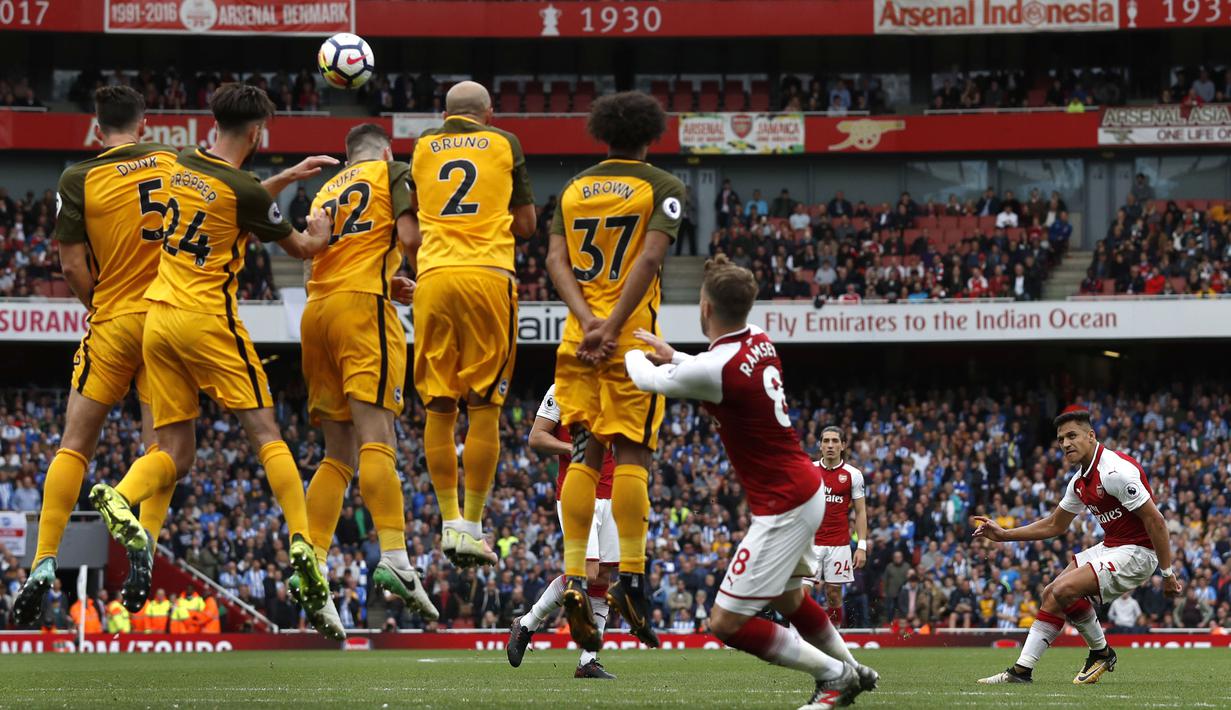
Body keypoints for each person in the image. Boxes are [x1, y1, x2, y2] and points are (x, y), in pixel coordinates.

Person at [87, 82, 340, 636]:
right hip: (208, 321)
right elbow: (298, 246)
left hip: (158, 317)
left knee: (175, 450)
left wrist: (284, 180)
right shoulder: (245, 189)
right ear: (256, 132)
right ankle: (302, 540)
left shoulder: (182, 163)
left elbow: (235, 200)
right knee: (266, 431)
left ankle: (122, 494)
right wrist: (319, 231)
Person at [624, 254, 877, 709]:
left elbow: (648, 379)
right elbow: (715, 371)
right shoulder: (759, 339)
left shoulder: (714, 368)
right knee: (788, 595)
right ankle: (853, 668)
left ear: (704, 309)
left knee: (725, 623)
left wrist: (621, 345)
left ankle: (834, 675)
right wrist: (676, 354)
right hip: (805, 487)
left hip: (783, 504)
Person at [14, 86, 179, 626]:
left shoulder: (77, 178)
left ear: (95, 126)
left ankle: (42, 561)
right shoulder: (174, 163)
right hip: (166, 323)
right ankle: (144, 546)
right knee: (164, 449)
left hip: (111, 321)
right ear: (146, 122)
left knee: (74, 446)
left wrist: (98, 303)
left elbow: (71, 265)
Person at [544, 90, 684, 652]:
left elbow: (555, 260)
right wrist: (613, 326)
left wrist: (586, 324)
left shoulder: (574, 189)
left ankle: (574, 575)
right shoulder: (662, 187)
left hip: (578, 339)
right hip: (628, 339)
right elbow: (649, 259)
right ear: (651, 134)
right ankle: (631, 577)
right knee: (633, 455)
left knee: (584, 451)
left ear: (603, 133)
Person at [296, 122, 437, 633]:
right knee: (379, 440)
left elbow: (316, 258)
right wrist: (426, 280)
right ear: (386, 150)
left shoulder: (326, 189)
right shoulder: (393, 171)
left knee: (338, 453)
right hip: (361, 313)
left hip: (317, 312)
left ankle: (312, 560)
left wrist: (383, 276)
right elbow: (409, 235)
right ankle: (397, 556)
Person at [406, 80, 536, 568]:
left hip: (433, 277)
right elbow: (525, 226)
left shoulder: (421, 148)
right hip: (487, 276)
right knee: (484, 406)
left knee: (439, 406)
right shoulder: (504, 143)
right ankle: (474, 528)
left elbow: (415, 224)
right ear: (489, 112)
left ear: (444, 115)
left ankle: (447, 522)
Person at [975, 406, 1183, 685]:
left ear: (1091, 435)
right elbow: (1055, 525)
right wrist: (1004, 535)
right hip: (1112, 546)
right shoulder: (1079, 480)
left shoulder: (1114, 472)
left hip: (1139, 553)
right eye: (1061, 439)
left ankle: (1101, 652)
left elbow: (1156, 521)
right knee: (1051, 593)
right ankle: (1022, 672)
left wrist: (1167, 573)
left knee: (1064, 589)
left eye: (1072, 436)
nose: (1065, 444)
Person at [507, 385, 618, 679]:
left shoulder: (617, 388)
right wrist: (572, 449)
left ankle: (588, 660)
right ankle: (528, 622)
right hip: (575, 490)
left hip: (612, 491)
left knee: (603, 576)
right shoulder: (564, 389)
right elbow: (537, 436)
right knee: (588, 573)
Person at [808, 426, 867, 627]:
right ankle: (796, 643)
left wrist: (862, 546)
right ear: (820, 445)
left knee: (833, 594)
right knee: (801, 595)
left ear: (843, 445)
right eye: (826, 441)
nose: (830, 445)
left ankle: (834, 642)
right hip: (810, 543)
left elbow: (860, 512)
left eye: (835, 441)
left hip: (839, 544)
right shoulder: (809, 470)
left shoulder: (854, 475)